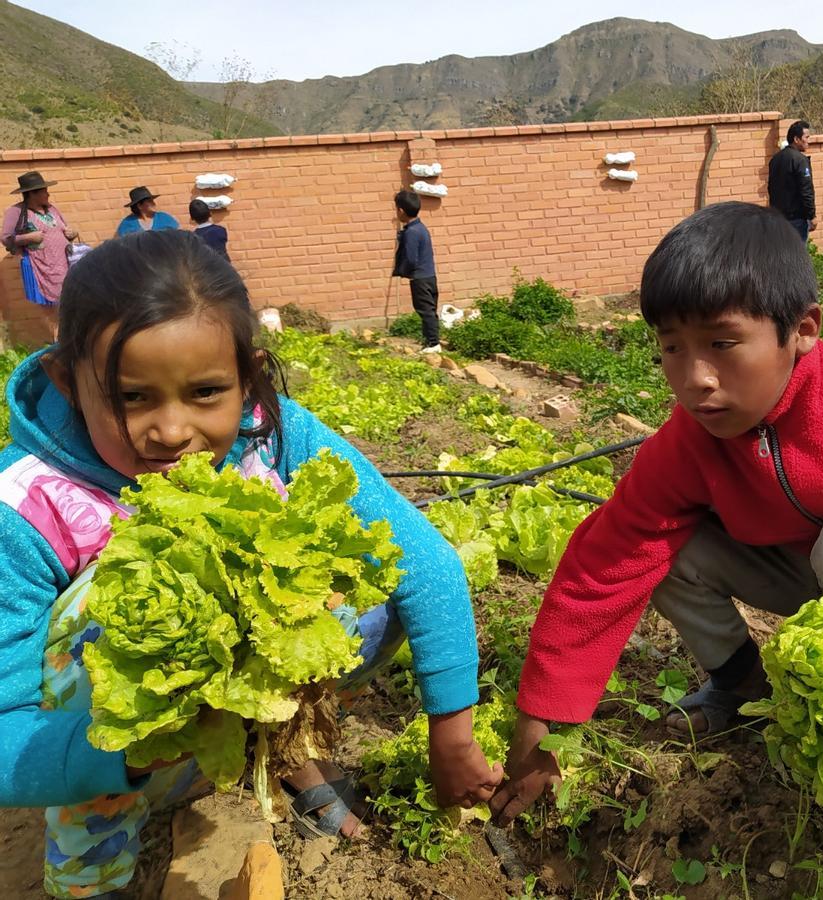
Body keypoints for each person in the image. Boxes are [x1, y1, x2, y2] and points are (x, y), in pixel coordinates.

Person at [487, 202, 823, 825]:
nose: (695, 378)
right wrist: (541, 720)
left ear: (802, 330)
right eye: (672, 348)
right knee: (661, 551)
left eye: (722, 344)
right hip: (799, 576)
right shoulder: (687, 442)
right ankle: (743, 684)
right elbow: (605, 564)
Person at [0, 230, 502, 898]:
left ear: (247, 373)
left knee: (368, 583)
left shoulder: (274, 432)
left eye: (207, 392)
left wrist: (453, 735)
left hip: (236, 712)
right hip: (109, 747)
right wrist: (125, 751)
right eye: (131, 397)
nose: (172, 432)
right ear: (68, 382)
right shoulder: (26, 504)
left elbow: (428, 565)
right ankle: (93, 872)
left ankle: (289, 754)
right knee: (111, 599)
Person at [2, 171, 80, 336]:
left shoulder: (51, 209)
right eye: (44, 191)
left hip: (63, 264)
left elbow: (63, 228)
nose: (48, 194)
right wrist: (28, 237)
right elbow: (6, 238)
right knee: (50, 311)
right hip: (40, 268)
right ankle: (58, 342)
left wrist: (71, 233)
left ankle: (72, 339)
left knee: (68, 305)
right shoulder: (16, 212)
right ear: (32, 193)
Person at [393, 190, 441, 353]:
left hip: (420, 277)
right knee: (429, 310)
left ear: (401, 210)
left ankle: (433, 344)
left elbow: (411, 258)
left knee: (425, 310)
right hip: (429, 276)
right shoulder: (420, 228)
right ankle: (430, 341)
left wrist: (403, 270)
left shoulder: (411, 233)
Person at [767, 120, 817, 242]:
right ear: (796, 139)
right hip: (796, 220)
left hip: (777, 218)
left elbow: (770, 188)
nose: (808, 141)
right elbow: (806, 191)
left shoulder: (775, 159)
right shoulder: (800, 160)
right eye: (806, 137)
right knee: (797, 252)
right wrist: (812, 216)